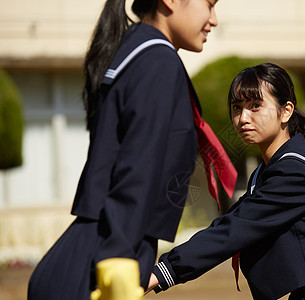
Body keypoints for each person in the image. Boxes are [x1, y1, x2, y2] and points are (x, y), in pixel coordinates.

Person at [27, 0, 236, 299]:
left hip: (92, 253)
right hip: (102, 263)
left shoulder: (136, 51)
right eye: (209, 4)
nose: (213, 19)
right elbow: (139, 164)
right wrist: (118, 257)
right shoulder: (158, 61)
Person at [147, 63, 305, 299]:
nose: (243, 118)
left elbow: (234, 229)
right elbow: (231, 223)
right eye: (237, 108)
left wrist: (161, 273)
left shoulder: (294, 170)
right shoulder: (269, 170)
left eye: (255, 106)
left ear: (286, 111)